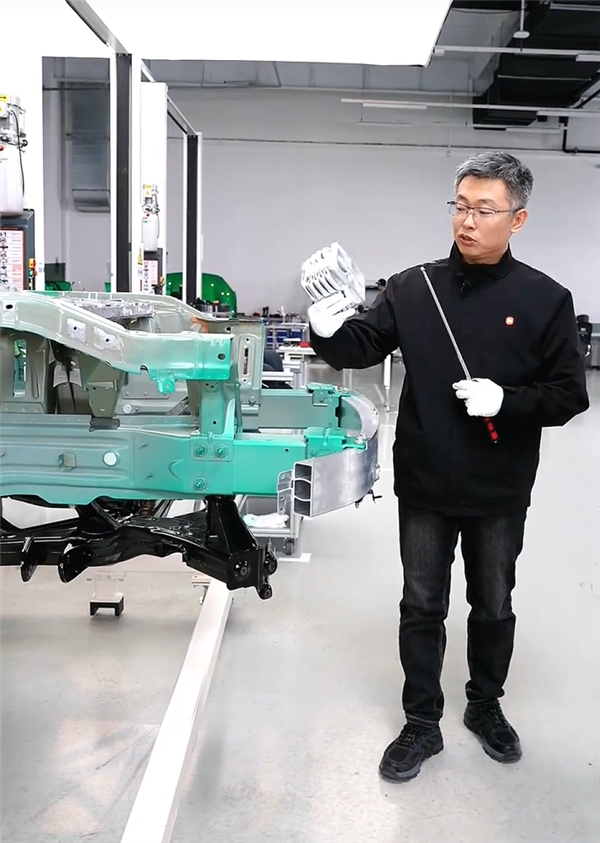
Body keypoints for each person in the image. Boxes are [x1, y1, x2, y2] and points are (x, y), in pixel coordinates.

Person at [307, 151, 589, 783]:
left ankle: (485, 704)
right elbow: (359, 346)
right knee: (421, 604)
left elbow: (570, 395)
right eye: (460, 206)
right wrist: (325, 324)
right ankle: (421, 721)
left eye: (485, 209)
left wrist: (506, 401)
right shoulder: (414, 287)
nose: (467, 221)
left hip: (499, 486)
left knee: (493, 604)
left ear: (517, 220)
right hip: (426, 479)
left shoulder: (545, 299)